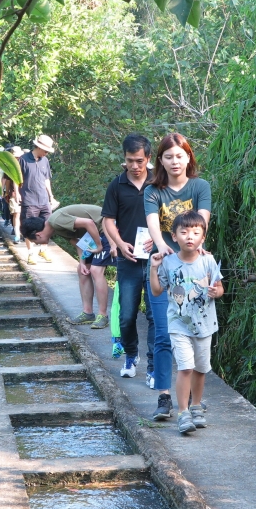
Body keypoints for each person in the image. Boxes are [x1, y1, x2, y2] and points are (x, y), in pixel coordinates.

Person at [144, 133, 211, 420]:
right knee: (162, 333)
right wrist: (162, 249)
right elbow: (153, 226)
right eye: (168, 156)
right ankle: (164, 396)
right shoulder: (153, 190)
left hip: (194, 264)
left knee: (197, 332)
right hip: (165, 263)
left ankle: (194, 402)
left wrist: (195, 244)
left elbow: (202, 221)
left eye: (179, 155)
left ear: (188, 157)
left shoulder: (200, 186)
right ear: (160, 160)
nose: (174, 161)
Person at [149, 210, 224, 434]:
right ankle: (183, 412)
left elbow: (220, 288)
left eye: (195, 232)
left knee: (201, 369)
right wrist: (153, 267)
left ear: (203, 237)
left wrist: (215, 292)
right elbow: (156, 291)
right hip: (178, 324)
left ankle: (196, 405)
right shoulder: (168, 262)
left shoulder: (209, 261)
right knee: (186, 367)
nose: (189, 236)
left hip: (205, 325)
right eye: (184, 232)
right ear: (174, 236)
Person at [102, 134, 155, 385]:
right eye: (129, 161)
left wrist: (160, 238)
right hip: (128, 258)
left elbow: (171, 219)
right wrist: (119, 243)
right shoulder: (117, 185)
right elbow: (107, 220)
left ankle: (154, 364)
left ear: (149, 158)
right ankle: (131, 356)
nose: (134, 166)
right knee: (126, 314)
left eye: (139, 161)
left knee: (156, 315)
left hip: (156, 260)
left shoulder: (159, 183)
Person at [21, 204, 116, 329]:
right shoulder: (55, 228)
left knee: (95, 270)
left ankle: (102, 316)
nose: (37, 244)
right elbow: (78, 243)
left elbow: (89, 223)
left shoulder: (56, 221)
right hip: (96, 234)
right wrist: (82, 262)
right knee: (83, 270)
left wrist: (99, 245)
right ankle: (88, 313)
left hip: (108, 227)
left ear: (38, 235)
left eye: (34, 242)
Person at [19, 134, 56, 265]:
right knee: (29, 227)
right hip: (29, 199)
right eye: (45, 150)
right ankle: (31, 253)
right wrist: (17, 194)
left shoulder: (45, 161)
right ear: (38, 147)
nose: (46, 153)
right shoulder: (23, 159)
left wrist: (51, 196)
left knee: (48, 225)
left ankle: (43, 249)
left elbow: (46, 179)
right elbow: (17, 179)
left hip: (44, 199)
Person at [5, 146, 24, 243]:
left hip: (26, 193)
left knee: (24, 215)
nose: (17, 158)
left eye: (18, 157)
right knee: (16, 214)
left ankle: (24, 233)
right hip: (13, 194)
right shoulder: (9, 167)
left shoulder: (24, 164)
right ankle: (17, 235)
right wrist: (7, 193)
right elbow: (7, 181)